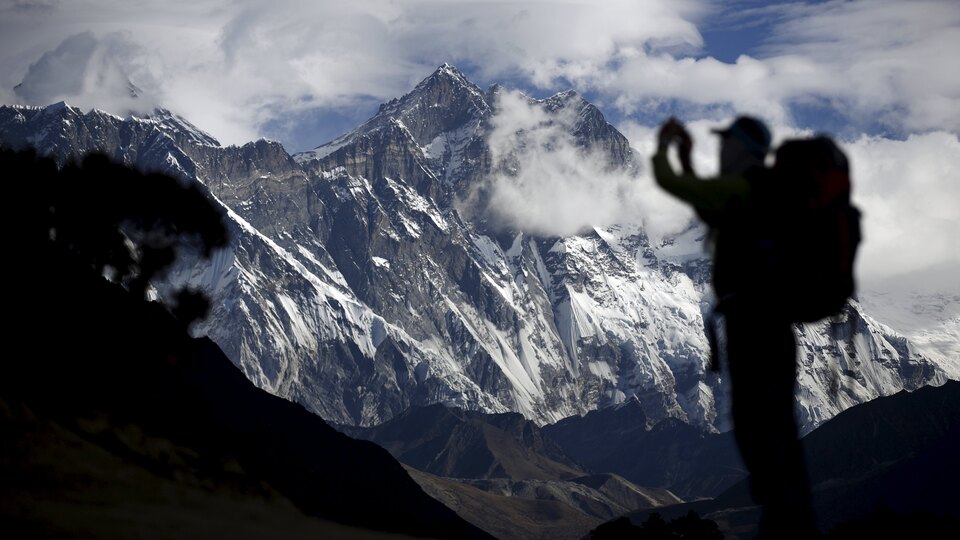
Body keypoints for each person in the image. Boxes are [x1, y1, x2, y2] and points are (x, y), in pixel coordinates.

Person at [652, 117, 817, 539]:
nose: (722, 149)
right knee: (779, 425)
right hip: (778, 326)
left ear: (743, 148)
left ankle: (780, 518)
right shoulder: (769, 193)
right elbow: (708, 209)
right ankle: (793, 517)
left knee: (752, 422)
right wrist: (689, 159)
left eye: (727, 142)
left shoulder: (737, 188)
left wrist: (666, 148)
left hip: (749, 324)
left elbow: (675, 186)